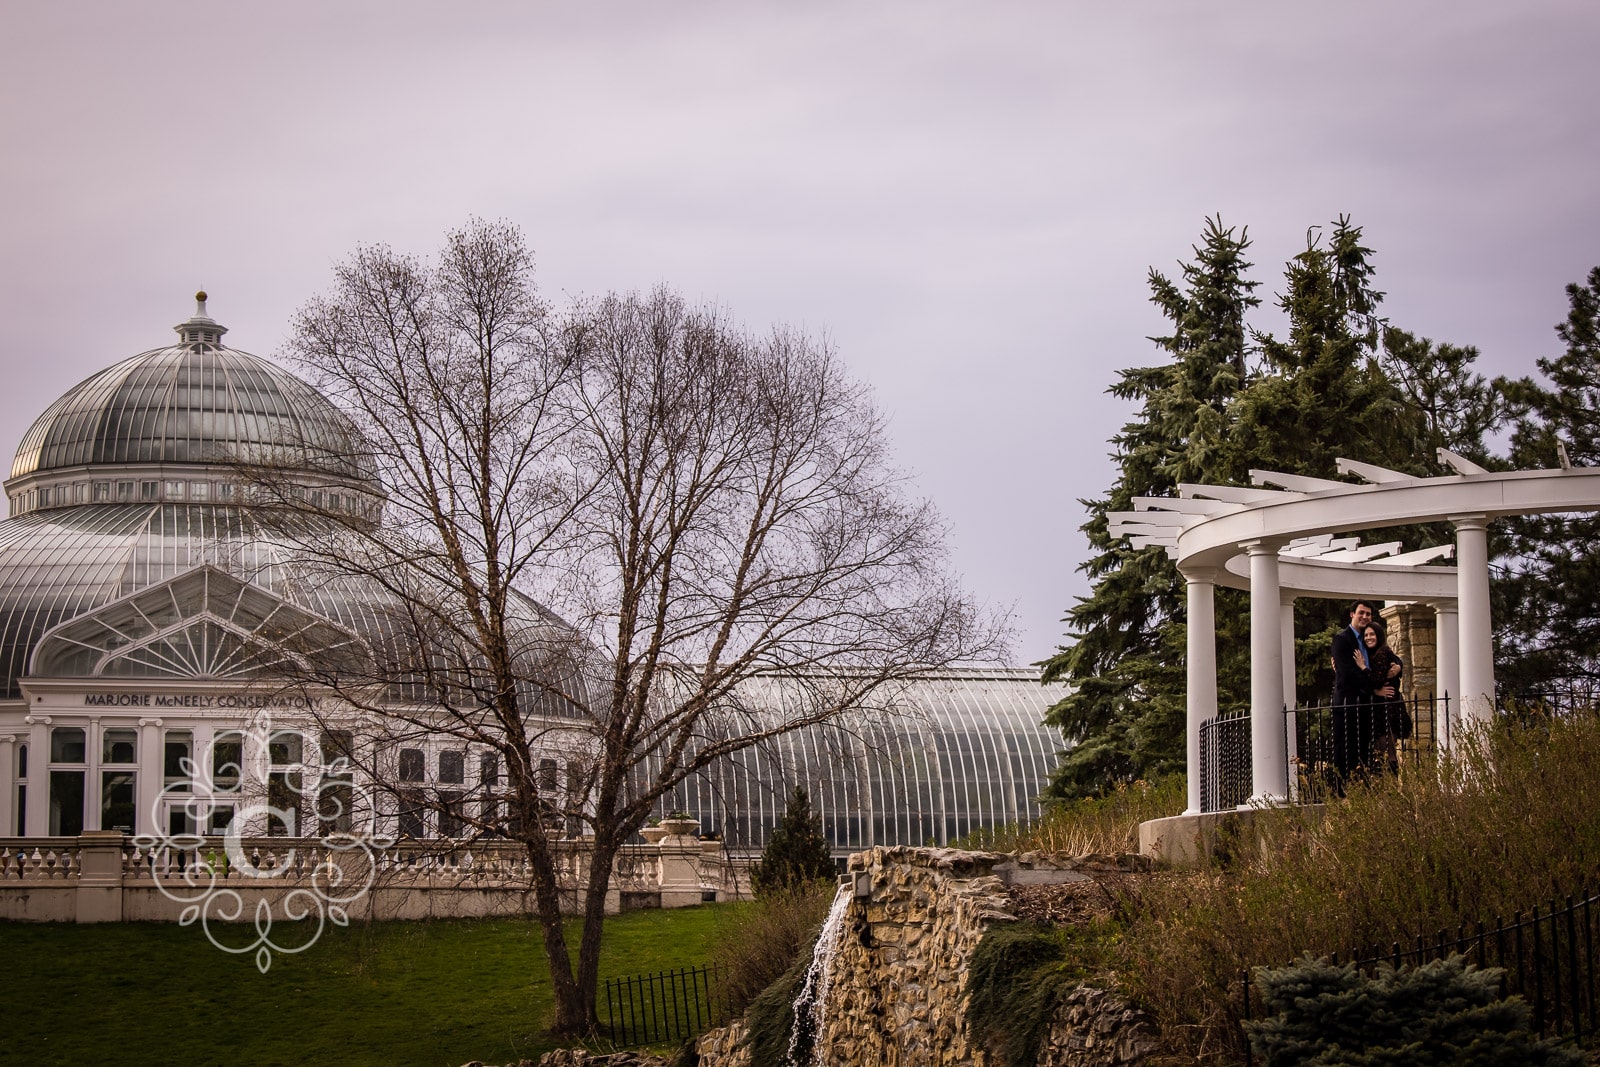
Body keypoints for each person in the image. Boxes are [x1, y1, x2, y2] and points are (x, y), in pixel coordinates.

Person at [1329, 600, 1398, 787]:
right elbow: (1347, 674)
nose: (1365, 617)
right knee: (1346, 752)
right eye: (1361, 613)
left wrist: (1399, 666)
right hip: (1348, 707)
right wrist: (1374, 688)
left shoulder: (1368, 640)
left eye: (1368, 614)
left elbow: (1387, 655)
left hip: (1369, 706)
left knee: (1367, 753)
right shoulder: (1342, 640)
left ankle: (1366, 793)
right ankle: (1342, 793)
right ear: (1352, 614)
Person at [1362, 622, 1406, 773]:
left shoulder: (1382, 653)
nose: (1368, 637)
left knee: (1387, 750)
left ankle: (1392, 784)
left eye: (1372, 634)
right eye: (1366, 635)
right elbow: (1398, 660)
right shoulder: (1372, 653)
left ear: (1379, 635)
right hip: (1380, 706)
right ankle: (1386, 784)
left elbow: (1375, 680)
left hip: (1387, 707)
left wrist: (1362, 667)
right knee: (1382, 750)